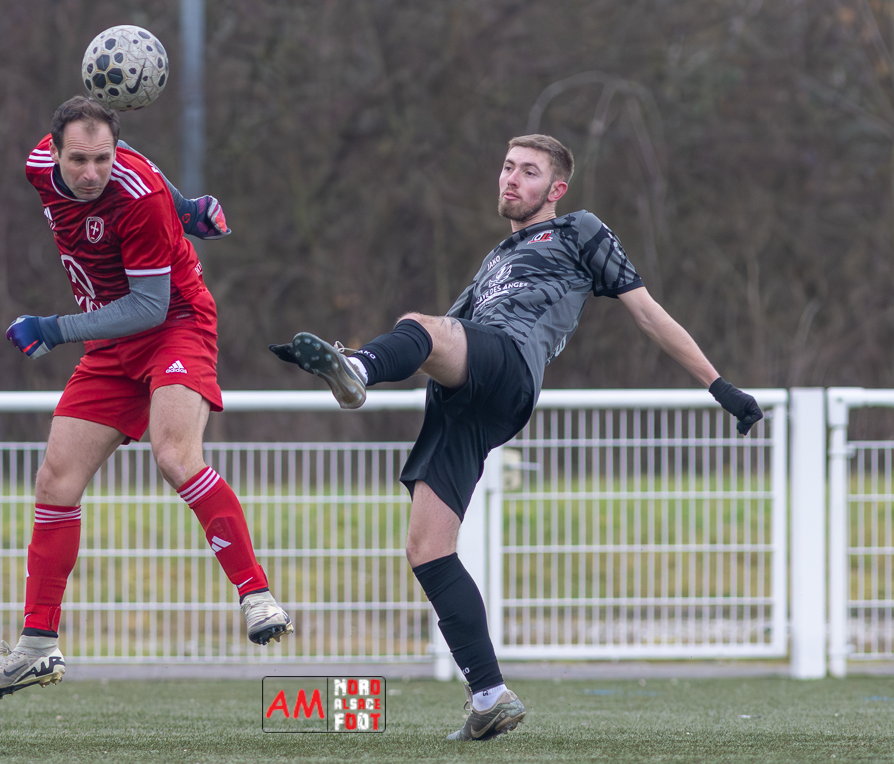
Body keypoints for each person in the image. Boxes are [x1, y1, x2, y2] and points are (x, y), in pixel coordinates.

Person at [271, 134, 762, 740]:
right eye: (507, 167)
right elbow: (435, 344)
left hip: (509, 367)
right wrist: (353, 356)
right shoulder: (493, 261)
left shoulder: (580, 230)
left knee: (420, 323)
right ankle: (490, 697)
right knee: (427, 548)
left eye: (529, 171)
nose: (511, 179)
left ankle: (358, 371)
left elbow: (647, 312)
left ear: (556, 189)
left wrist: (720, 385)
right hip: (465, 401)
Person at [0, 96, 293, 701]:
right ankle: (37, 646)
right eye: (78, 159)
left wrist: (53, 328)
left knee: (174, 455)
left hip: (174, 325)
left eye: (104, 159)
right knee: (55, 482)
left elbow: (148, 306)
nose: (92, 172)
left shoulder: (137, 196)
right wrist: (187, 206)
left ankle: (256, 594)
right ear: (54, 152)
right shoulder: (38, 165)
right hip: (110, 344)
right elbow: (130, 163)